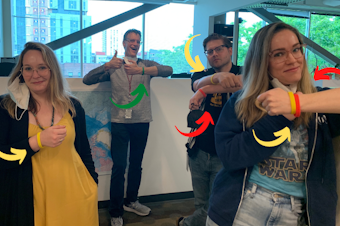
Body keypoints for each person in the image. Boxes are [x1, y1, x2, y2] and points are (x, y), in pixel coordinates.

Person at [207, 22, 340, 226]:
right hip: (243, 208)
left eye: (296, 49)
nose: (292, 59)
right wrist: (279, 118)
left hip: (299, 213)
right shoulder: (242, 101)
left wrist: (296, 103)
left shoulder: (320, 102)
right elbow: (230, 157)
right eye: (279, 54)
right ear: (262, 62)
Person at [0, 42, 98, 226]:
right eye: (28, 68)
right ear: (21, 72)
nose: (35, 74)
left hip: (76, 196)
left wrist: (93, 183)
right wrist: (36, 142)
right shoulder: (7, 108)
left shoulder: (73, 106)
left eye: (42, 67)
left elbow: (84, 151)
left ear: (52, 69)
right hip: (32, 201)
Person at [83, 29, 173, 226]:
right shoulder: (114, 66)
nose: (135, 44)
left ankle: (131, 201)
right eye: (131, 40)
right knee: (119, 166)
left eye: (138, 41)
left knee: (136, 164)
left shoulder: (146, 64)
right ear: (124, 43)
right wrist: (106, 65)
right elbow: (87, 79)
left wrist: (142, 71)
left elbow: (168, 70)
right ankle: (115, 211)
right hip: (120, 123)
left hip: (142, 121)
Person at [176, 33, 242, 226]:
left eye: (219, 49)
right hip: (199, 151)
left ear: (230, 50)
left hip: (226, 154)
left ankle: (186, 224)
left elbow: (241, 84)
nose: (214, 54)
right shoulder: (200, 75)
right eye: (209, 51)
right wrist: (217, 77)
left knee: (216, 207)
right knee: (201, 205)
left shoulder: (244, 72)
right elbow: (197, 83)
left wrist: (205, 90)